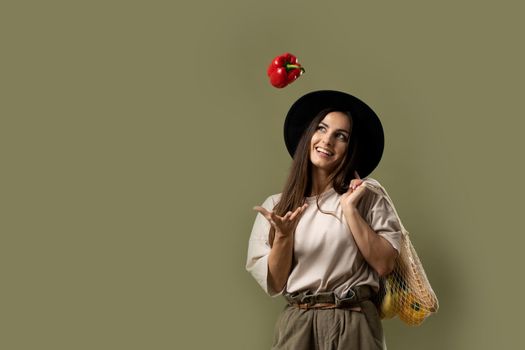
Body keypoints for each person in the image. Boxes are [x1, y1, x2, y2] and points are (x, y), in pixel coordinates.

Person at [246, 90, 404, 349]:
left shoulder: (367, 196)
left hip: (354, 320)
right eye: (321, 129)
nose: (327, 141)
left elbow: (385, 264)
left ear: (350, 148)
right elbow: (274, 283)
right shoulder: (276, 206)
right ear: (308, 135)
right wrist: (284, 236)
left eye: (340, 136)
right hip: (299, 322)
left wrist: (350, 210)